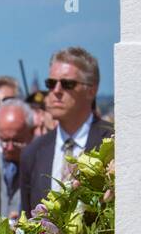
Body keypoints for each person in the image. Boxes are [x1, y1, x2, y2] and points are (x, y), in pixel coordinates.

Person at [19, 47, 113, 214]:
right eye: (51, 83)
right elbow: (28, 219)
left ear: (91, 90)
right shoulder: (32, 153)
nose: (56, 91)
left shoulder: (113, 144)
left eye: (67, 84)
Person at [0, 98, 34, 218]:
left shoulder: (41, 165)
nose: (10, 148)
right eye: (5, 141)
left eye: (17, 141)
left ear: (31, 133)